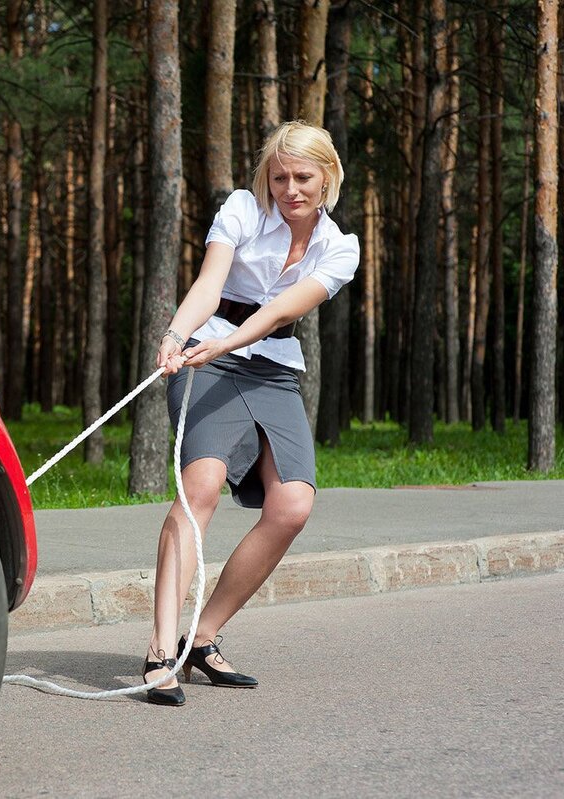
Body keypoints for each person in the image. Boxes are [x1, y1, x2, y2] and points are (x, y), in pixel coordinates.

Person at [142, 120, 360, 706]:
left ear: (328, 178)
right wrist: (177, 334)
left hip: (270, 367)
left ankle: (202, 636)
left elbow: (284, 308)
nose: (290, 188)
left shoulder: (341, 247)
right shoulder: (241, 209)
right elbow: (210, 283)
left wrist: (229, 343)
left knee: (293, 503)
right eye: (280, 176)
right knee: (202, 487)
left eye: (303, 177)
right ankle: (162, 650)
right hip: (206, 358)